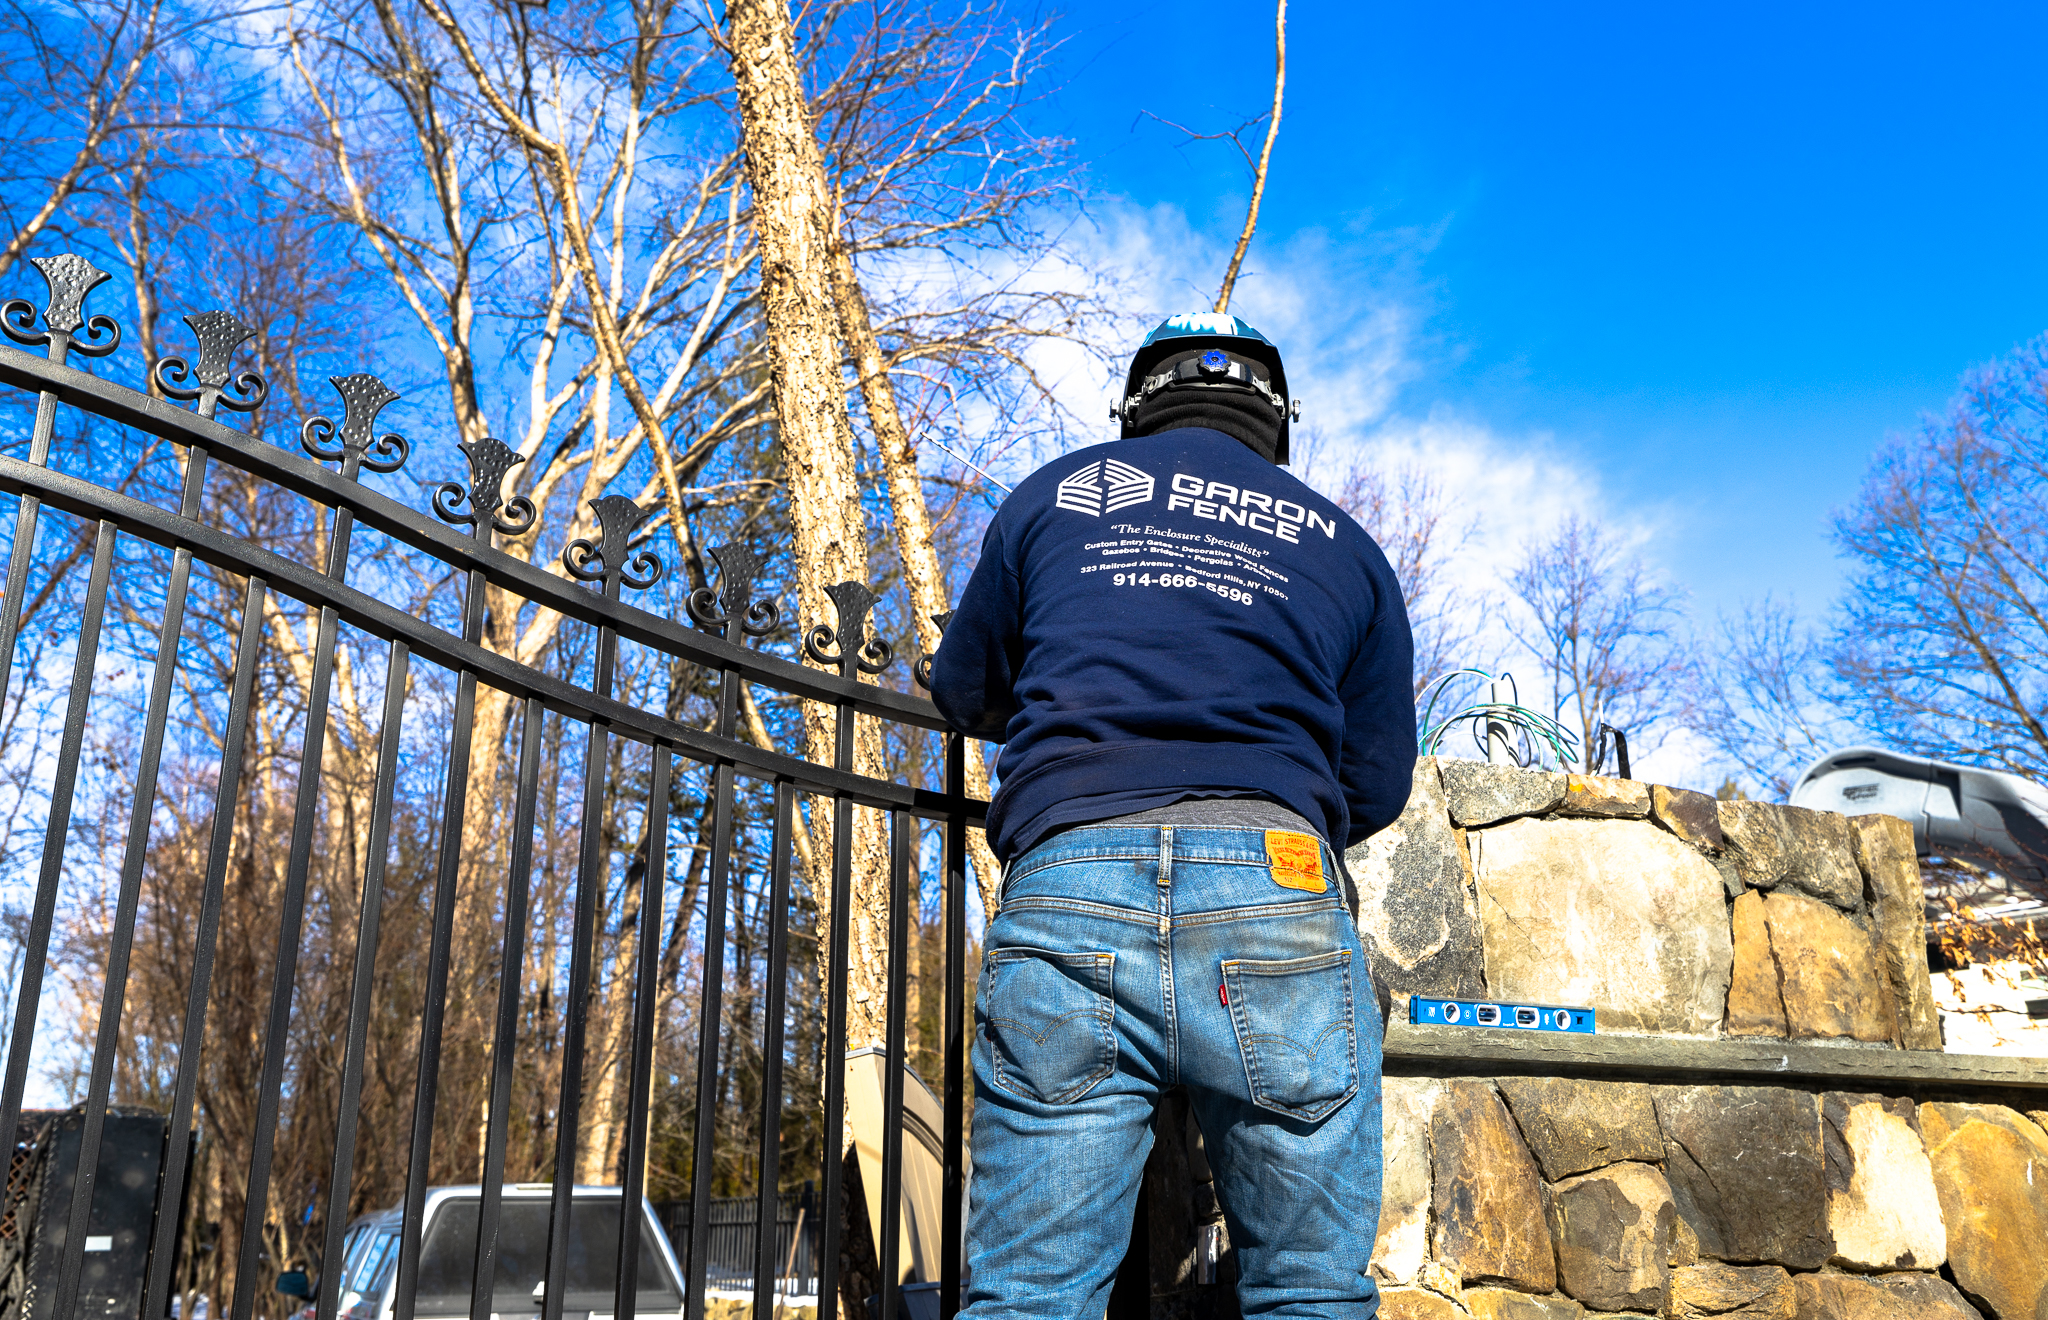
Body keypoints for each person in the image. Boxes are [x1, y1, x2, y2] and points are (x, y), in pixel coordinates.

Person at [928, 312, 1416, 1318]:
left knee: (1027, 1295)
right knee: (1310, 1294)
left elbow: (963, 686)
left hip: (1072, 879)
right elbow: (1375, 780)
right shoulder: (1342, 545)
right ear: (1275, 421)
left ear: (1134, 410)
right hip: (1275, 882)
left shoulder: (1052, 498)